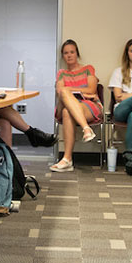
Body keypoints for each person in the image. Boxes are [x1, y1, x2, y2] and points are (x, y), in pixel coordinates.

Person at [50, 39, 103, 172]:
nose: (69, 55)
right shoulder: (62, 73)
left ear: (77, 54)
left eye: (72, 52)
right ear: (63, 56)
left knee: (67, 108)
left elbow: (91, 90)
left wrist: (71, 91)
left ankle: (67, 159)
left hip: (89, 106)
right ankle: (86, 129)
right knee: (65, 98)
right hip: (66, 104)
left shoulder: (88, 69)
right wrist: (77, 92)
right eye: (66, 53)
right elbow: (60, 92)